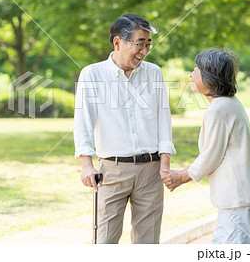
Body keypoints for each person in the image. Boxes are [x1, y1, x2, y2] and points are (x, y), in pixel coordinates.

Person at [74, 13, 176, 244]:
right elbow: (83, 121)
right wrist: (86, 165)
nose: (144, 51)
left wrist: (165, 163)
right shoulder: (92, 74)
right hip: (112, 170)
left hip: (150, 170)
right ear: (117, 42)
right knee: (105, 241)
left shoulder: (154, 72)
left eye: (148, 45)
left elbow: (163, 119)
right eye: (139, 44)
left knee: (148, 243)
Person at [161, 48, 250, 244]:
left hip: (237, 196)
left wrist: (182, 176)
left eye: (196, 69)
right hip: (240, 195)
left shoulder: (218, 109)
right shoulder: (229, 103)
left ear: (211, 76)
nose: (191, 75)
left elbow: (211, 155)